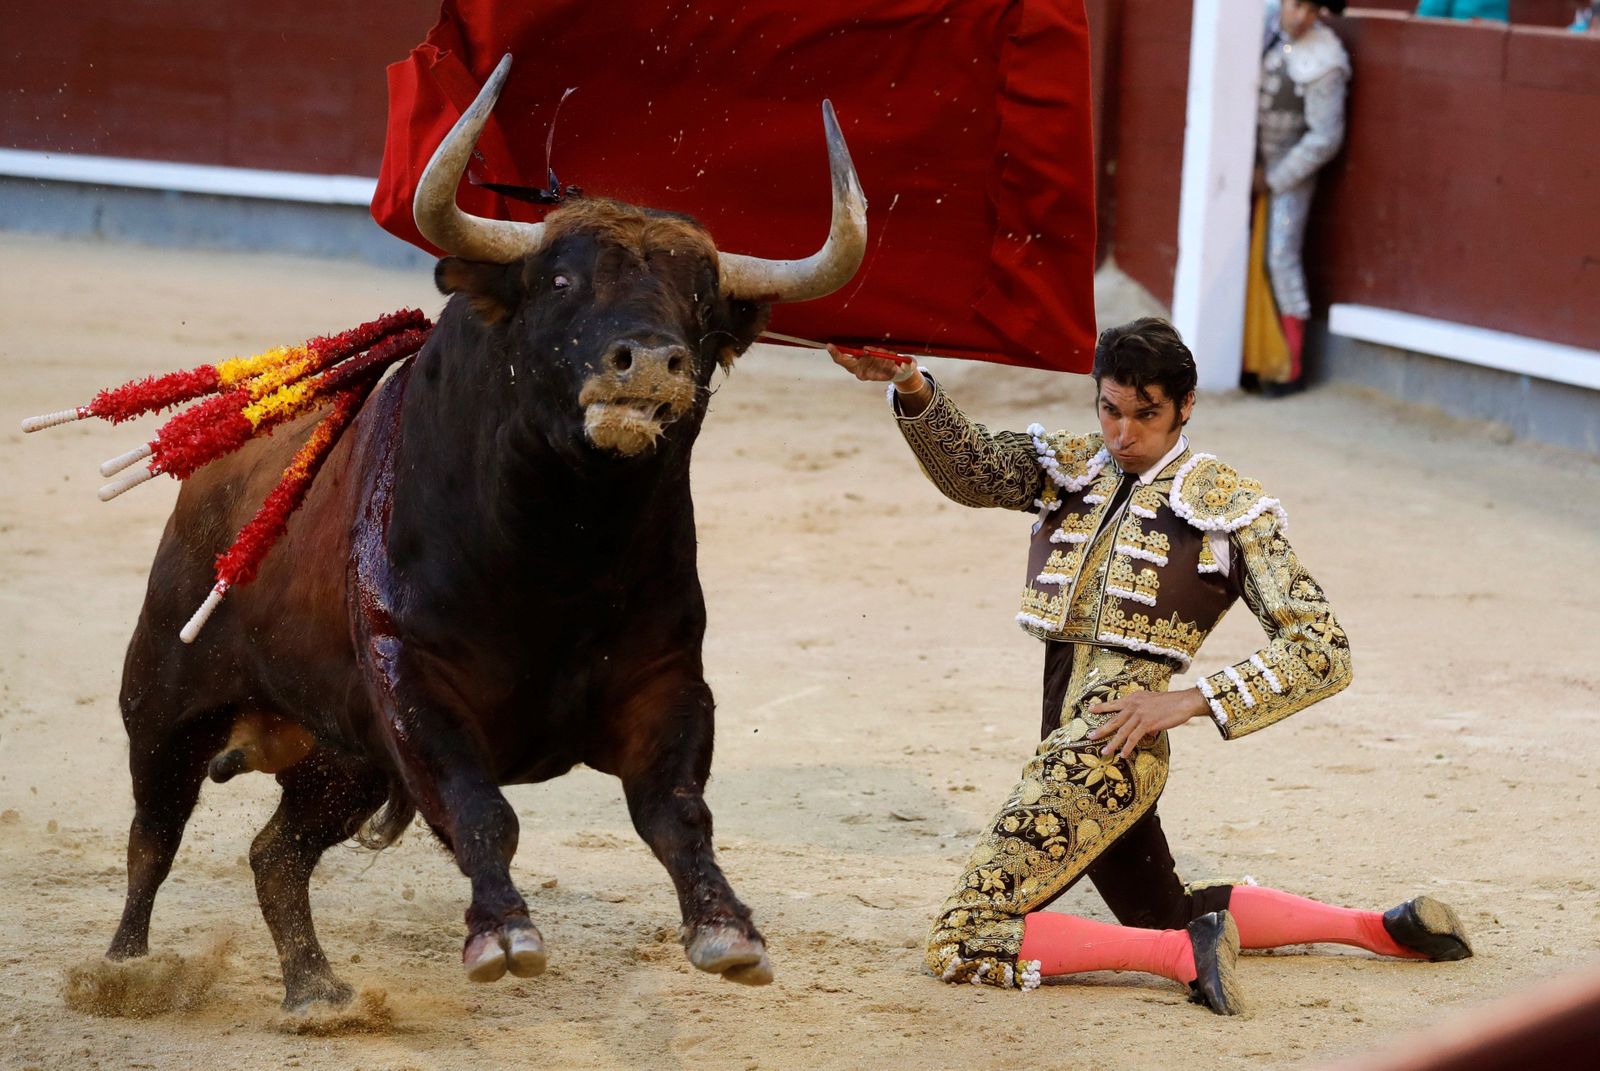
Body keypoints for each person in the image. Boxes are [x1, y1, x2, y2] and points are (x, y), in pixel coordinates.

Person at [829, 319, 1472, 1014]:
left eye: (1146, 414)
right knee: (1167, 906)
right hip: (1075, 741)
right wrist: (908, 380)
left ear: (1185, 407)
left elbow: (1321, 647)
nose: (1122, 433)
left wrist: (1189, 700)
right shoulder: (1074, 467)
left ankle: (1180, 958)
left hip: (1107, 749)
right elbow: (976, 467)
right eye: (1110, 409)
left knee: (963, 936)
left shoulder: (1228, 505)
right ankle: (1383, 928)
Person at [1244, 0, 1351, 395]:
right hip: (1245, 164)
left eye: (1312, 8)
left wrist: (1274, 178)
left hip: (1288, 172)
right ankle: (1247, 357)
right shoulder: (1261, 25)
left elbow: (1325, 137)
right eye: (1296, 4)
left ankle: (1286, 367)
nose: (1301, 16)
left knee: (1280, 256)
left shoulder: (1326, 55)